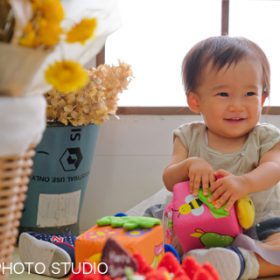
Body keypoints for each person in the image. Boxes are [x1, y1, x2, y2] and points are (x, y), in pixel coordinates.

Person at [162, 36, 280, 280]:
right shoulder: (188, 136)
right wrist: (189, 165)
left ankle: (243, 263)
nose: (237, 105)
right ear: (195, 101)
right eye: (224, 94)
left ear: (262, 99)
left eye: (249, 93)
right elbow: (169, 178)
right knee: (150, 229)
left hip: (261, 223)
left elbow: (274, 167)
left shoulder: (265, 137)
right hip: (194, 225)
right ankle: (187, 259)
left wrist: (244, 183)